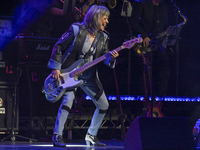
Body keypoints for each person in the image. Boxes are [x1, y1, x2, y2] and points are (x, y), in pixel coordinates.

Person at [47, 5, 119, 147]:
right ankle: (57, 135)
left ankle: (91, 135)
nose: (107, 22)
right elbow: (59, 46)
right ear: (97, 18)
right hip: (69, 72)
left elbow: (104, 57)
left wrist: (111, 58)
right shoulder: (77, 29)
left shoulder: (104, 37)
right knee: (68, 100)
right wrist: (56, 68)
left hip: (89, 76)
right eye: (105, 18)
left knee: (104, 104)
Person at [130, 0, 170, 97]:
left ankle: (160, 99)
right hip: (145, 44)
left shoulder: (164, 6)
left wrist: (165, 38)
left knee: (163, 71)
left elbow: (165, 25)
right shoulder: (142, 4)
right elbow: (133, 22)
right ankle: (144, 99)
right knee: (146, 72)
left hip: (159, 44)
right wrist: (144, 36)